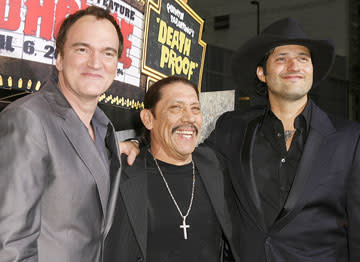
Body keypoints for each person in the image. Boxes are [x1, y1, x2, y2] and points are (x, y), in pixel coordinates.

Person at [206, 17, 360, 261]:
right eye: (281, 58)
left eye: (303, 58)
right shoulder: (231, 129)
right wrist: (138, 144)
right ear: (262, 73)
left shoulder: (350, 140)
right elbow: (187, 161)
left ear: (312, 70)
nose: (294, 65)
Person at [0, 6, 123, 261]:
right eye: (82, 49)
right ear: (59, 59)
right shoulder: (28, 119)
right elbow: (10, 246)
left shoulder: (103, 128)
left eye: (107, 53)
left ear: (116, 66)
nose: (95, 63)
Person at [105, 76, 241, 262]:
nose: (189, 118)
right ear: (148, 119)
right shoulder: (122, 172)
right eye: (176, 108)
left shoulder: (215, 165)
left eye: (195, 108)